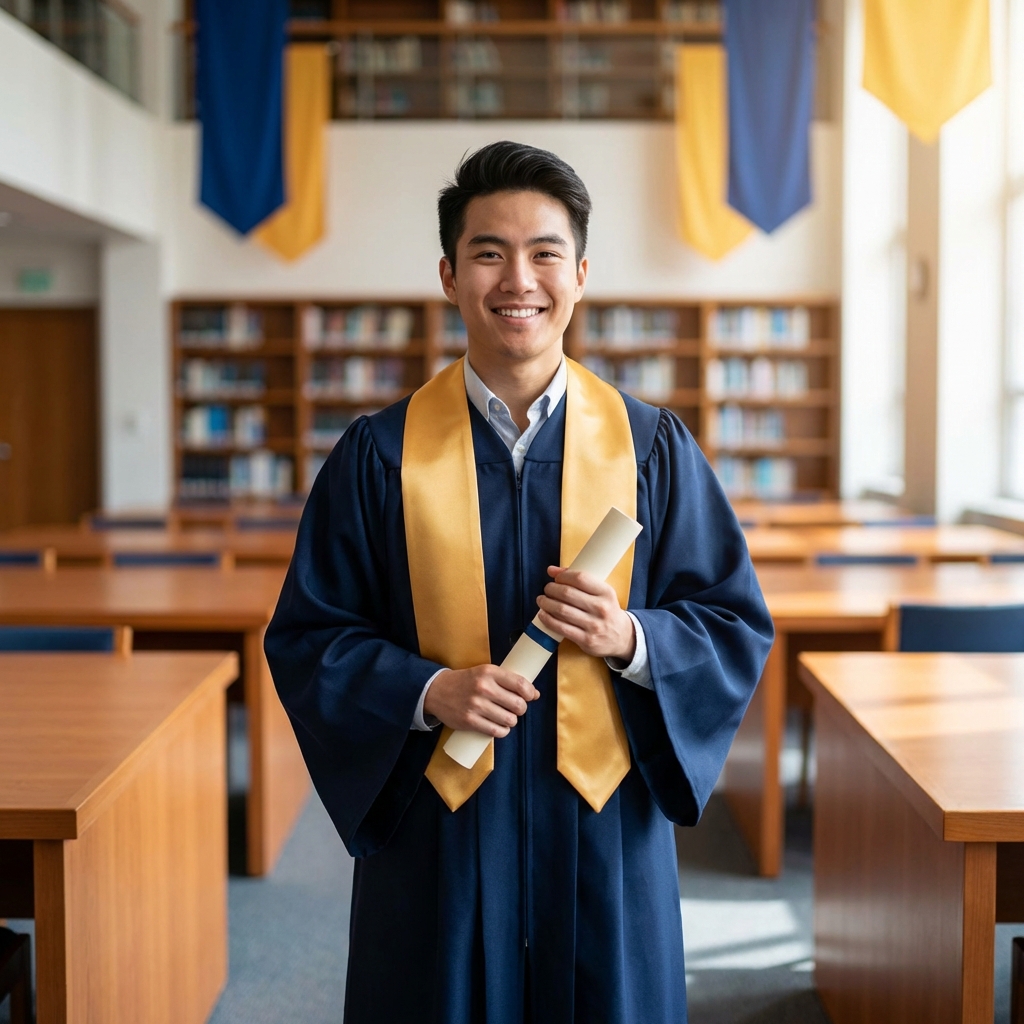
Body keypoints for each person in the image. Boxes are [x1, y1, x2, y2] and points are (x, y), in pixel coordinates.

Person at [264, 140, 774, 1024]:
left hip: (601, 824)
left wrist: (631, 639)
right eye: (488, 253)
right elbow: (311, 637)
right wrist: (427, 689)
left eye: (544, 253)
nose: (518, 279)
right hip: (443, 822)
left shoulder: (651, 449)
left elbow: (732, 620)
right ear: (449, 275)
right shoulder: (379, 456)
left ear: (580, 274)